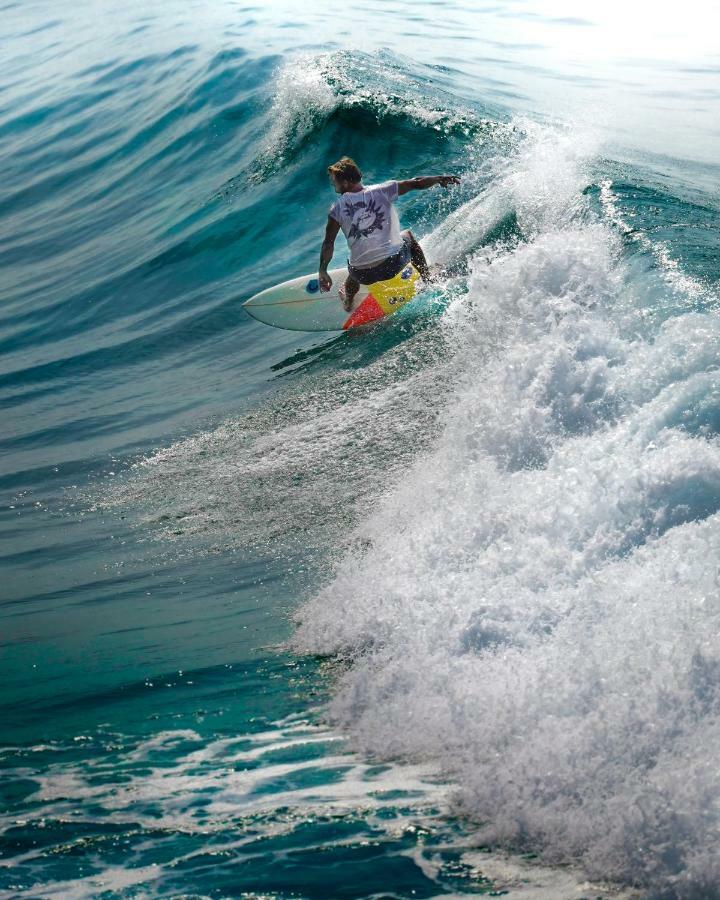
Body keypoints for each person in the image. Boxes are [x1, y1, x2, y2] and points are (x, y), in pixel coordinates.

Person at [318, 157, 459, 311]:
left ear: (345, 182)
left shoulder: (336, 209)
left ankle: (348, 300)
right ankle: (427, 277)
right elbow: (416, 182)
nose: (333, 185)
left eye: (334, 182)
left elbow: (328, 243)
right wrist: (439, 179)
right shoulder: (383, 190)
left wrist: (322, 270)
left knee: (355, 263)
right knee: (408, 236)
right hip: (393, 265)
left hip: (362, 275)